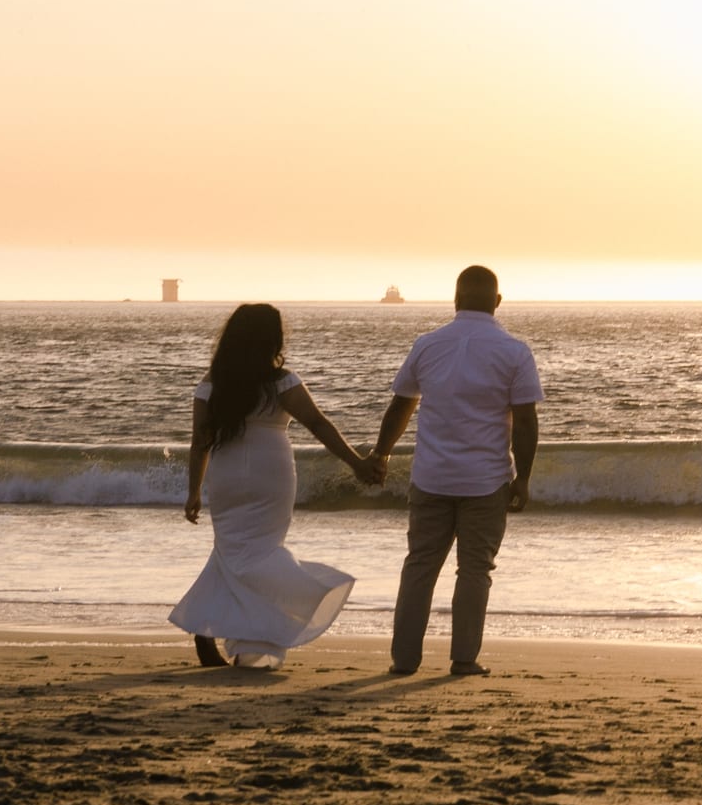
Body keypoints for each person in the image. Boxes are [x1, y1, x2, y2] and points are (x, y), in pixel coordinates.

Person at [169, 303, 381, 669]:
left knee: (234, 552)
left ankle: (208, 627)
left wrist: (193, 491)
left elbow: (199, 442)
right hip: (272, 474)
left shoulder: (212, 385)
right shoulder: (282, 382)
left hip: (228, 476)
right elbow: (318, 424)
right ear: (272, 339)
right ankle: (245, 634)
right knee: (260, 553)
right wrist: (356, 463)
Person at [371, 265, 542, 677]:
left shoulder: (427, 345)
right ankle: (463, 658)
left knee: (419, 567)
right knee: (475, 570)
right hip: (485, 480)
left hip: (431, 476)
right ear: (497, 302)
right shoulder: (515, 352)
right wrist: (524, 477)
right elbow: (525, 421)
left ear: (456, 299)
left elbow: (401, 405)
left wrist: (381, 453)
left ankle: (404, 659)